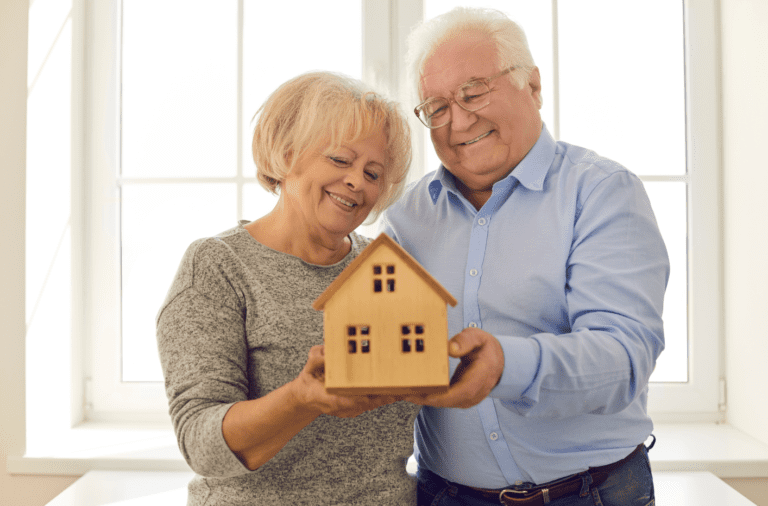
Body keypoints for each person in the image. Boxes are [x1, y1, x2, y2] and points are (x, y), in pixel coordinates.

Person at [381, 7, 669, 506]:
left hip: (590, 494)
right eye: (436, 107)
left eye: (473, 93)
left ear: (532, 86)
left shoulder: (601, 193)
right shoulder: (405, 219)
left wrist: (505, 366)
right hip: (445, 495)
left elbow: (624, 356)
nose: (459, 120)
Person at [156, 71, 419, 505]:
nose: (358, 181)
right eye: (340, 160)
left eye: (374, 173)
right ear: (287, 152)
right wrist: (301, 399)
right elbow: (201, 444)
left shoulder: (386, 269)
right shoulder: (218, 267)